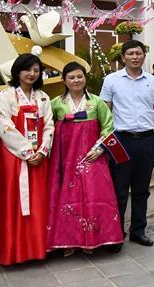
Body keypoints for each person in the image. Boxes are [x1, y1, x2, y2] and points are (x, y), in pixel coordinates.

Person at [47, 61, 123, 254]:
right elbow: (47, 127)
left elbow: (108, 126)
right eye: (71, 77)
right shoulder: (56, 104)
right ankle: (68, 241)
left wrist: (99, 149)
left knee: (93, 195)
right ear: (64, 80)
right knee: (66, 197)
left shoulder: (96, 102)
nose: (76, 80)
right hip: (64, 159)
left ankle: (92, 238)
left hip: (92, 157)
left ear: (85, 78)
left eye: (80, 76)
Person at [0, 53, 55, 266]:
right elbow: (4, 127)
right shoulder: (4, 97)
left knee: (38, 202)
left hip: (39, 158)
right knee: (11, 202)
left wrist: (43, 151)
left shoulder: (43, 98)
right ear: (17, 71)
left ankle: (36, 249)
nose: (32, 74)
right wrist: (27, 152)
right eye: (28, 69)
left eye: (36, 70)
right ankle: (12, 252)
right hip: (12, 158)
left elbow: (50, 126)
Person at [100, 40, 154, 250]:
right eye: (130, 53)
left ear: (143, 56)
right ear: (123, 57)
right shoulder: (111, 80)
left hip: (146, 141)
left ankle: (138, 231)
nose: (135, 57)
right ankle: (116, 233)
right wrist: (104, 143)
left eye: (138, 53)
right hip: (121, 141)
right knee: (119, 190)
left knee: (141, 190)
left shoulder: (153, 81)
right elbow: (104, 112)